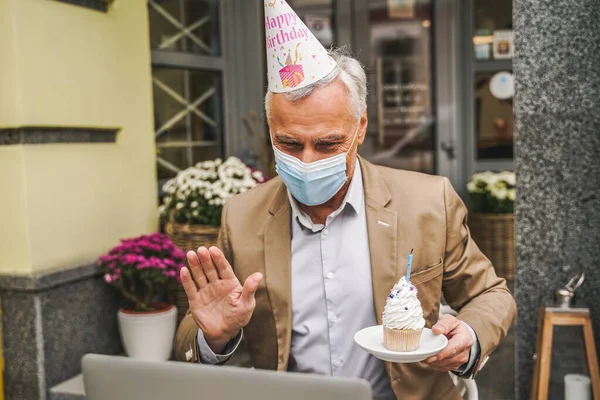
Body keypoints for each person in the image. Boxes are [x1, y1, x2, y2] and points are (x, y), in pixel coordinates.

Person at [175, 2, 516, 399]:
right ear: (270, 129)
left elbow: (490, 294)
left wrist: (469, 335)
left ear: (361, 127)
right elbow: (193, 330)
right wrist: (214, 336)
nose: (306, 160)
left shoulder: (428, 202)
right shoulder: (242, 216)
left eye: (327, 143)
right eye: (288, 143)